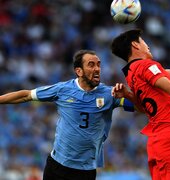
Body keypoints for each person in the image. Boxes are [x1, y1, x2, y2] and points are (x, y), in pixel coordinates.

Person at [0, 49, 135, 180]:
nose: (97, 69)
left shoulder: (110, 94)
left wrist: (127, 94)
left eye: (99, 64)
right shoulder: (62, 90)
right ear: (79, 71)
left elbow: (140, 107)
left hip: (85, 171)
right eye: (91, 65)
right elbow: (26, 95)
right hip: (57, 166)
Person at [110, 29, 170, 180]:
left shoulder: (132, 75)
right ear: (135, 45)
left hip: (156, 143)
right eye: (143, 41)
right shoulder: (146, 66)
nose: (147, 45)